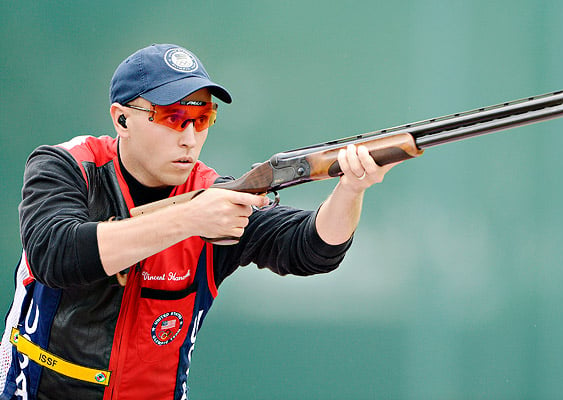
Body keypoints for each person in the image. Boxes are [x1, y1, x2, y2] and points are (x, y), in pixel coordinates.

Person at [0, 44, 398, 400]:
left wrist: (351, 190)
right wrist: (189, 218)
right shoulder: (67, 167)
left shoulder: (215, 196)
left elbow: (312, 250)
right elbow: (55, 254)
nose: (190, 137)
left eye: (202, 117)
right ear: (121, 119)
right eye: (173, 117)